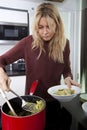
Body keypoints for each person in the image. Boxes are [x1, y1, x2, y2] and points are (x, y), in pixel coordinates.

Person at [0, 2, 80, 130]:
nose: (45, 32)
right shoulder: (27, 43)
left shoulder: (65, 44)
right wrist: (1, 74)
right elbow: (1, 60)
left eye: (49, 26)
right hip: (31, 102)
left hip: (54, 101)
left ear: (57, 24)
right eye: (40, 27)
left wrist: (68, 78)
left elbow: (66, 69)